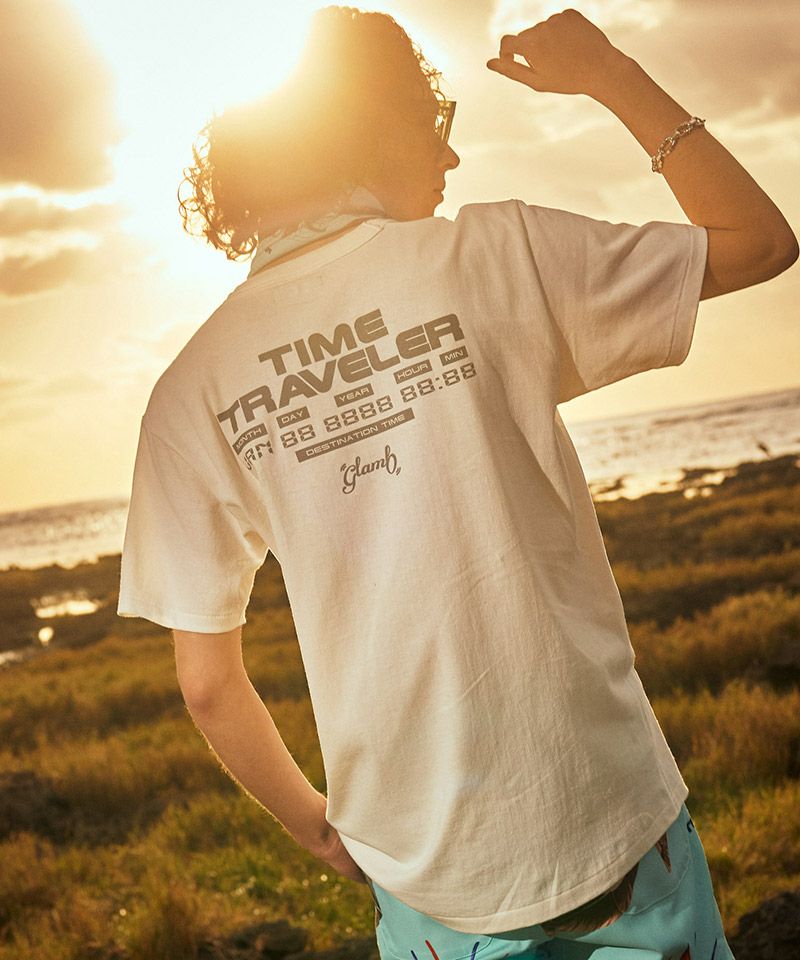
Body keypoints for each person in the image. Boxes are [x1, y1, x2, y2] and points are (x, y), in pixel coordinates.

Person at [117, 5, 797, 958]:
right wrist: (608, 73)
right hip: (611, 816)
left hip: (424, 874)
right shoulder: (495, 256)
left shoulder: (192, 388)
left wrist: (318, 828)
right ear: (371, 132)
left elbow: (206, 684)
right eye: (432, 124)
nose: (450, 158)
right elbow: (760, 240)